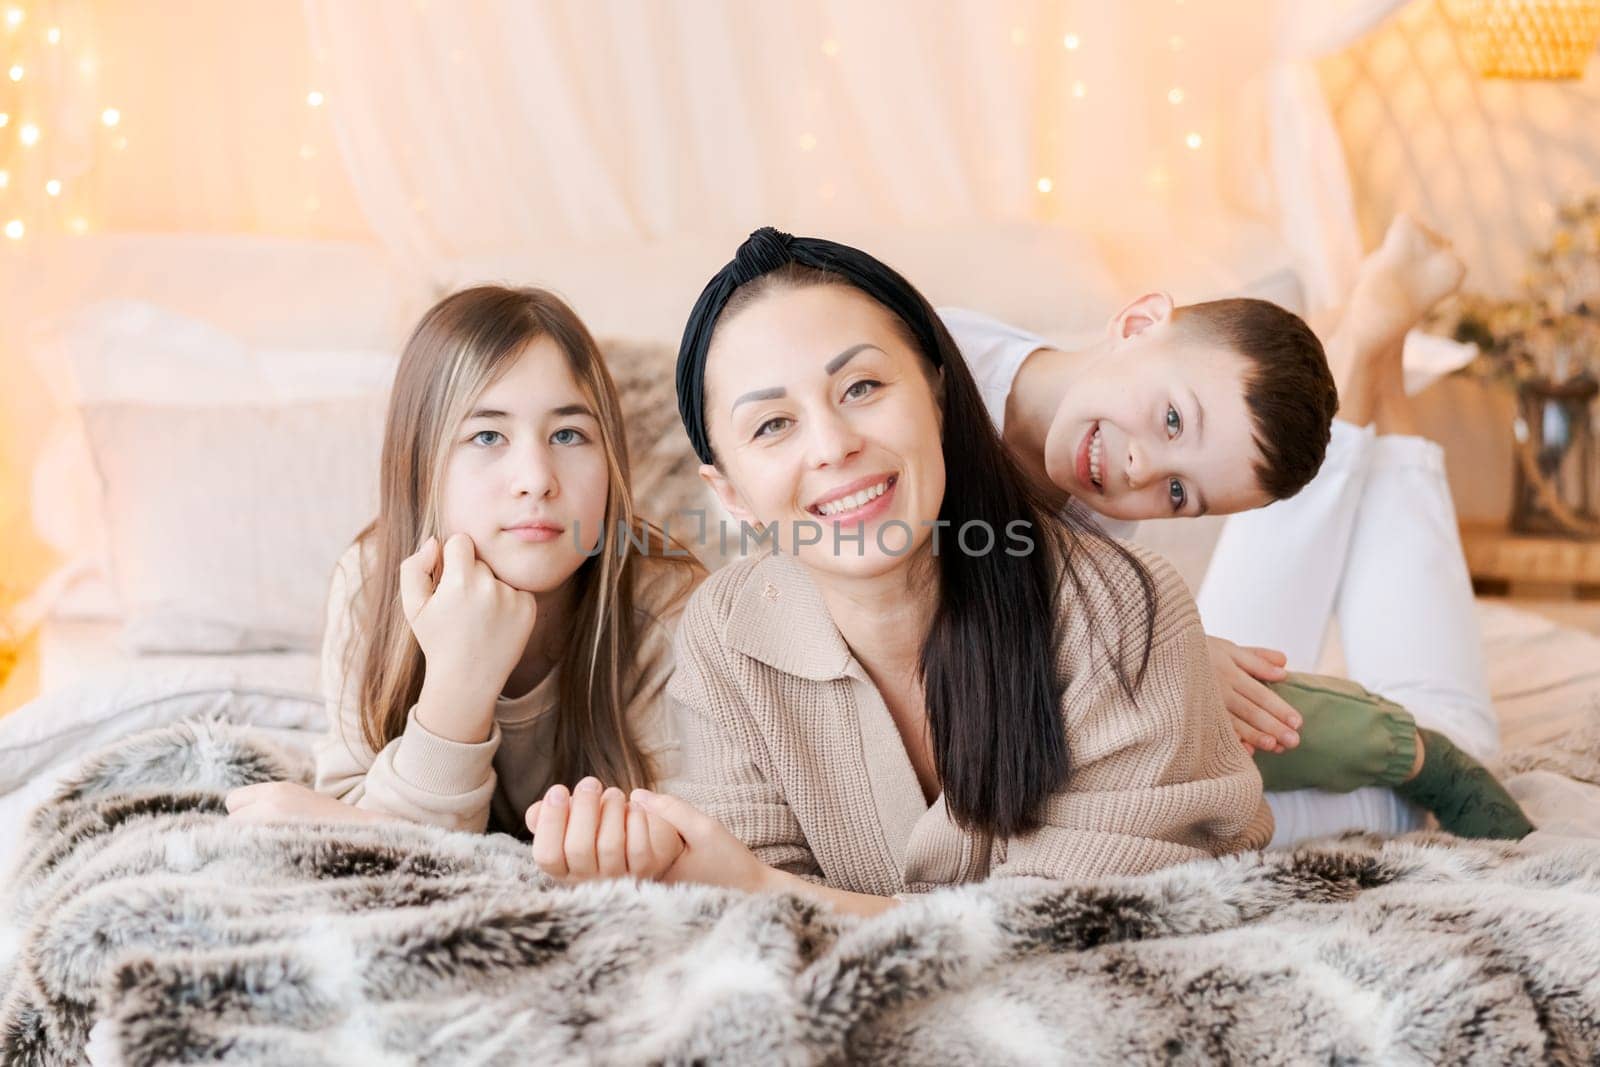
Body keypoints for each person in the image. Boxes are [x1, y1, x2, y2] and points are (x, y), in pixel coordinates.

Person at [526, 228, 1275, 913]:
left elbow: (1064, 934)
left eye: (861, 388)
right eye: (772, 424)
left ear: (939, 398)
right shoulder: (724, 629)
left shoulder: (1123, 610)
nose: (831, 445)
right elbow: (741, 902)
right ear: (730, 494)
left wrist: (761, 887)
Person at [941, 214, 1531, 842]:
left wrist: (1165, 649)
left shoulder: (1098, 500)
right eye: (1172, 419)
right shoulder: (928, 381)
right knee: (1438, 750)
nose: (1142, 470)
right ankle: (1373, 345)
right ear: (1137, 324)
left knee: (1436, 746)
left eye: (1176, 494)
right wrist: (1167, 650)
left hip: (1118, 753)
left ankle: (1372, 344)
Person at [226, 286, 703, 879]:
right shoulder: (370, 583)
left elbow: (678, 851)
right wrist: (461, 683)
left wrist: (375, 826)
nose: (535, 480)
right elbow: (359, 838)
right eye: (486, 436)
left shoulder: (670, 613)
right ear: (422, 464)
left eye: (567, 435)